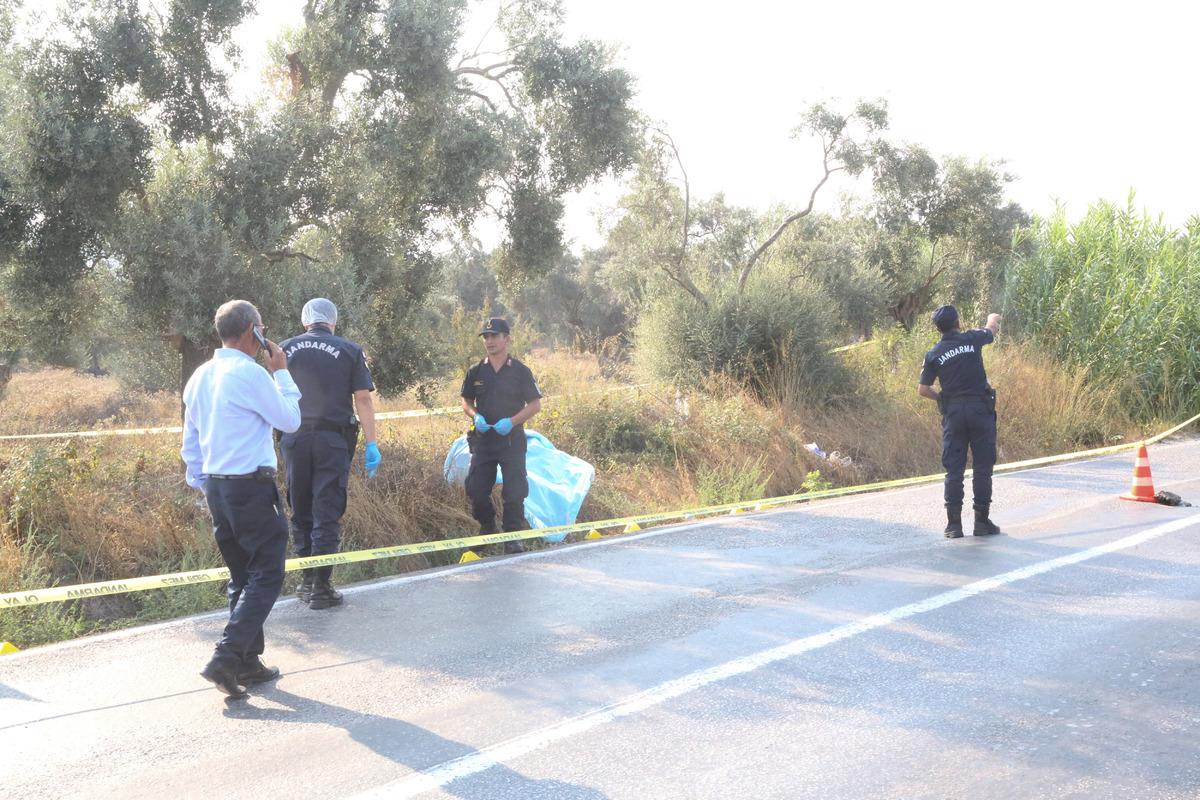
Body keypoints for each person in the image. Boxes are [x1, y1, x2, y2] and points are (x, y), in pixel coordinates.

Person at [182, 300, 302, 697]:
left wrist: (206, 485)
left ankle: (247, 662)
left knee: (241, 575)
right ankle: (226, 657)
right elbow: (289, 420)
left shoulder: (200, 375)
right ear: (254, 331)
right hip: (250, 486)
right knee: (267, 574)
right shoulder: (251, 374)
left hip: (217, 486)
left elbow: (191, 444)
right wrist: (281, 373)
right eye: (263, 328)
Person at [278, 298, 379, 610]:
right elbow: (362, 398)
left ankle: (306, 582)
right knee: (327, 510)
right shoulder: (350, 350)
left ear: (305, 320)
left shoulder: (283, 349)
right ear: (333, 321)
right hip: (332, 440)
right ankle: (322, 587)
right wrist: (372, 443)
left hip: (293, 439)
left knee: (301, 508)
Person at [918, 305, 1003, 539]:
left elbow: (923, 389)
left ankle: (954, 526)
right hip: (979, 410)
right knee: (982, 468)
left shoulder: (934, 353)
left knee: (954, 470)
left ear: (938, 328)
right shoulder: (972, 339)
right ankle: (981, 522)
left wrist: (942, 399)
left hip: (954, 414)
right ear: (958, 322)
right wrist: (993, 317)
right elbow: (991, 330)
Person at [460, 317, 542, 554]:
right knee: (476, 489)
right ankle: (487, 528)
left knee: (515, 490)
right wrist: (475, 416)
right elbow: (466, 401)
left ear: (507, 338)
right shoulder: (476, 371)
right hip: (484, 441)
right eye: (486, 336)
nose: (489, 340)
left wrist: (513, 421)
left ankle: (513, 537)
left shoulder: (520, 371)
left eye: (495, 336)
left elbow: (534, 405)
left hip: (511, 440)